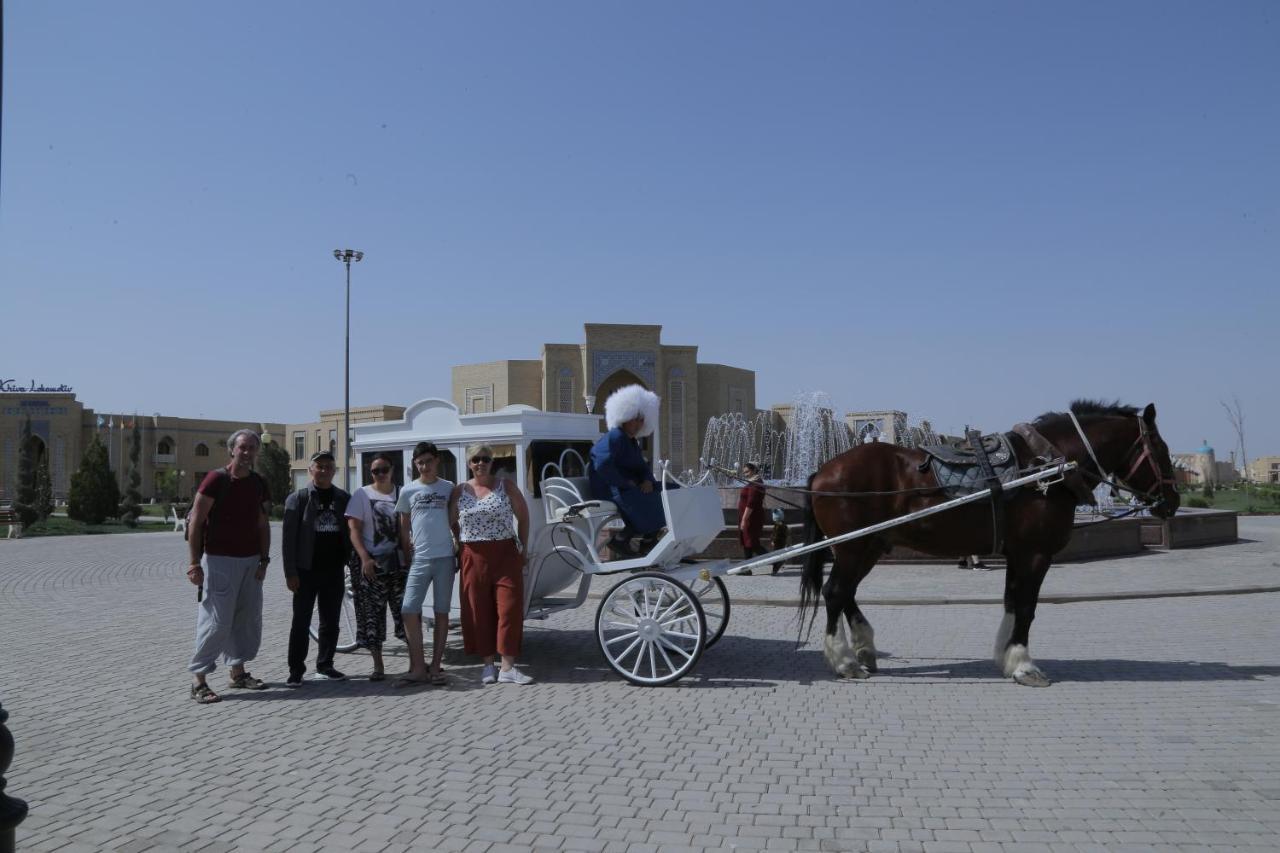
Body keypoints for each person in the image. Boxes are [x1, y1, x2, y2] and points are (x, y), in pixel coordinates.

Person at [185, 429, 272, 704]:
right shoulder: (216, 480)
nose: (246, 453)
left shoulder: (258, 482)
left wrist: (264, 559)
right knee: (217, 621)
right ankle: (198, 680)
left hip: (250, 561)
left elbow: (262, 523)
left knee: (246, 619)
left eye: (251, 448)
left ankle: (238, 672)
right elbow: (196, 522)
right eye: (242, 447)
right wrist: (193, 563)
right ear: (232, 450)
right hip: (220, 560)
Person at [450, 443, 532, 685]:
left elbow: (524, 517)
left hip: (505, 552)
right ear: (468, 463)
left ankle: (507, 666)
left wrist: (523, 548)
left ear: (492, 462)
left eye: (485, 459)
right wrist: (459, 541)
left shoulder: (506, 486)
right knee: (478, 610)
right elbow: (450, 519)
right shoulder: (460, 490)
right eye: (475, 459)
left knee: (510, 608)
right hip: (472, 554)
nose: (480, 463)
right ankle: (488, 664)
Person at [281, 450, 351, 687]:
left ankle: (325, 665)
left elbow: (350, 533)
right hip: (305, 572)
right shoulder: (298, 498)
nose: (323, 471)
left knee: (330, 621)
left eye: (328, 467)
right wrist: (290, 573)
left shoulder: (342, 498)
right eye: (319, 466)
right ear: (310, 470)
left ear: (334, 471)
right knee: (300, 622)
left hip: (333, 571)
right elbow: (288, 540)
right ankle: (295, 671)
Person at [393, 442, 456, 688]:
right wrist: (405, 550)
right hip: (420, 558)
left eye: (428, 461)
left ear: (437, 460)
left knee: (442, 612)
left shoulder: (449, 488)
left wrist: (458, 545)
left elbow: (454, 520)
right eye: (420, 462)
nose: (425, 466)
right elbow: (403, 524)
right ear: (414, 465)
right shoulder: (408, 491)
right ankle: (418, 667)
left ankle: (436, 665)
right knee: (409, 609)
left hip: (444, 558)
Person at [588, 384, 670, 557]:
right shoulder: (615, 436)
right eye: (636, 418)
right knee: (648, 500)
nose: (639, 423)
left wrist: (647, 480)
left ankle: (647, 538)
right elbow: (601, 463)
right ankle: (624, 540)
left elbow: (641, 466)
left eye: (642, 419)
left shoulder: (631, 441)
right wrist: (625, 482)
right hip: (612, 490)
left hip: (627, 489)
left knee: (669, 491)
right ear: (625, 416)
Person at [346, 452, 405, 681]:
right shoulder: (362, 494)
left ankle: (416, 661)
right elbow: (354, 530)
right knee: (373, 615)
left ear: (392, 470)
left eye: (384, 469)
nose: (380, 474)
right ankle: (378, 665)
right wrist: (364, 558)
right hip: (373, 564)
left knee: (405, 612)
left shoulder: (402, 492)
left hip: (398, 565)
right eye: (375, 470)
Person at [737, 462, 767, 571]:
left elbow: (751, 503)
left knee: (753, 543)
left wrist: (744, 519)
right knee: (747, 542)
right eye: (744, 472)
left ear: (754, 470)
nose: (745, 474)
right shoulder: (752, 482)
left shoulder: (756, 483)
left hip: (752, 518)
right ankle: (747, 569)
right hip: (748, 517)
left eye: (747, 471)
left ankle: (776, 560)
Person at [770, 507, 790, 575]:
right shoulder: (784, 525)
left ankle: (774, 570)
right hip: (782, 542)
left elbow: (775, 534)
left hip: (777, 543)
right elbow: (787, 534)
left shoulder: (777, 526)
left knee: (775, 556)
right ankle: (778, 565)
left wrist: (773, 541)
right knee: (779, 555)